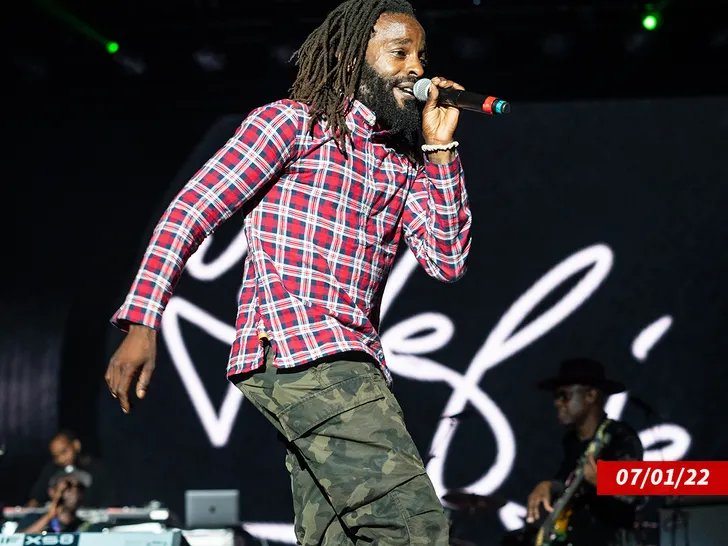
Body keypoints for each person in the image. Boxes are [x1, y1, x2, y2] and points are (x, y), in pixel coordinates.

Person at [104, 0, 472, 543]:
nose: (416, 67)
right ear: (353, 57)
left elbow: (447, 260)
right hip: (302, 347)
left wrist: (440, 151)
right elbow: (191, 210)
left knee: (340, 537)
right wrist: (143, 321)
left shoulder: (405, 160)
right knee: (412, 527)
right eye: (400, 52)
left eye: (421, 55)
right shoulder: (294, 123)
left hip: (354, 356)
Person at [523, 357, 644, 546]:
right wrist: (549, 486)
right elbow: (567, 485)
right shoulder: (571, 442)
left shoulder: (620, 437)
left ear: (590, 396)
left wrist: (602, 482)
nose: (557, 403)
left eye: (564, 395)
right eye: (555, 396)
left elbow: (632, 502)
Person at [26, 429, 116, 508]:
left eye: (64, 452)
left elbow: (110, 502)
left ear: (76, 445)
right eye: (56, 456)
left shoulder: (97, 468)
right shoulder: (51, 470)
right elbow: (35, 500)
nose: (61, 459)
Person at [17, 467, 95, 533]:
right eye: (68, 486)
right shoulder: (33, 518)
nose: (75, 491)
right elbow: (18, 540)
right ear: (52, 492)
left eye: (80, 487)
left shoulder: (85, 526)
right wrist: (49, 516)